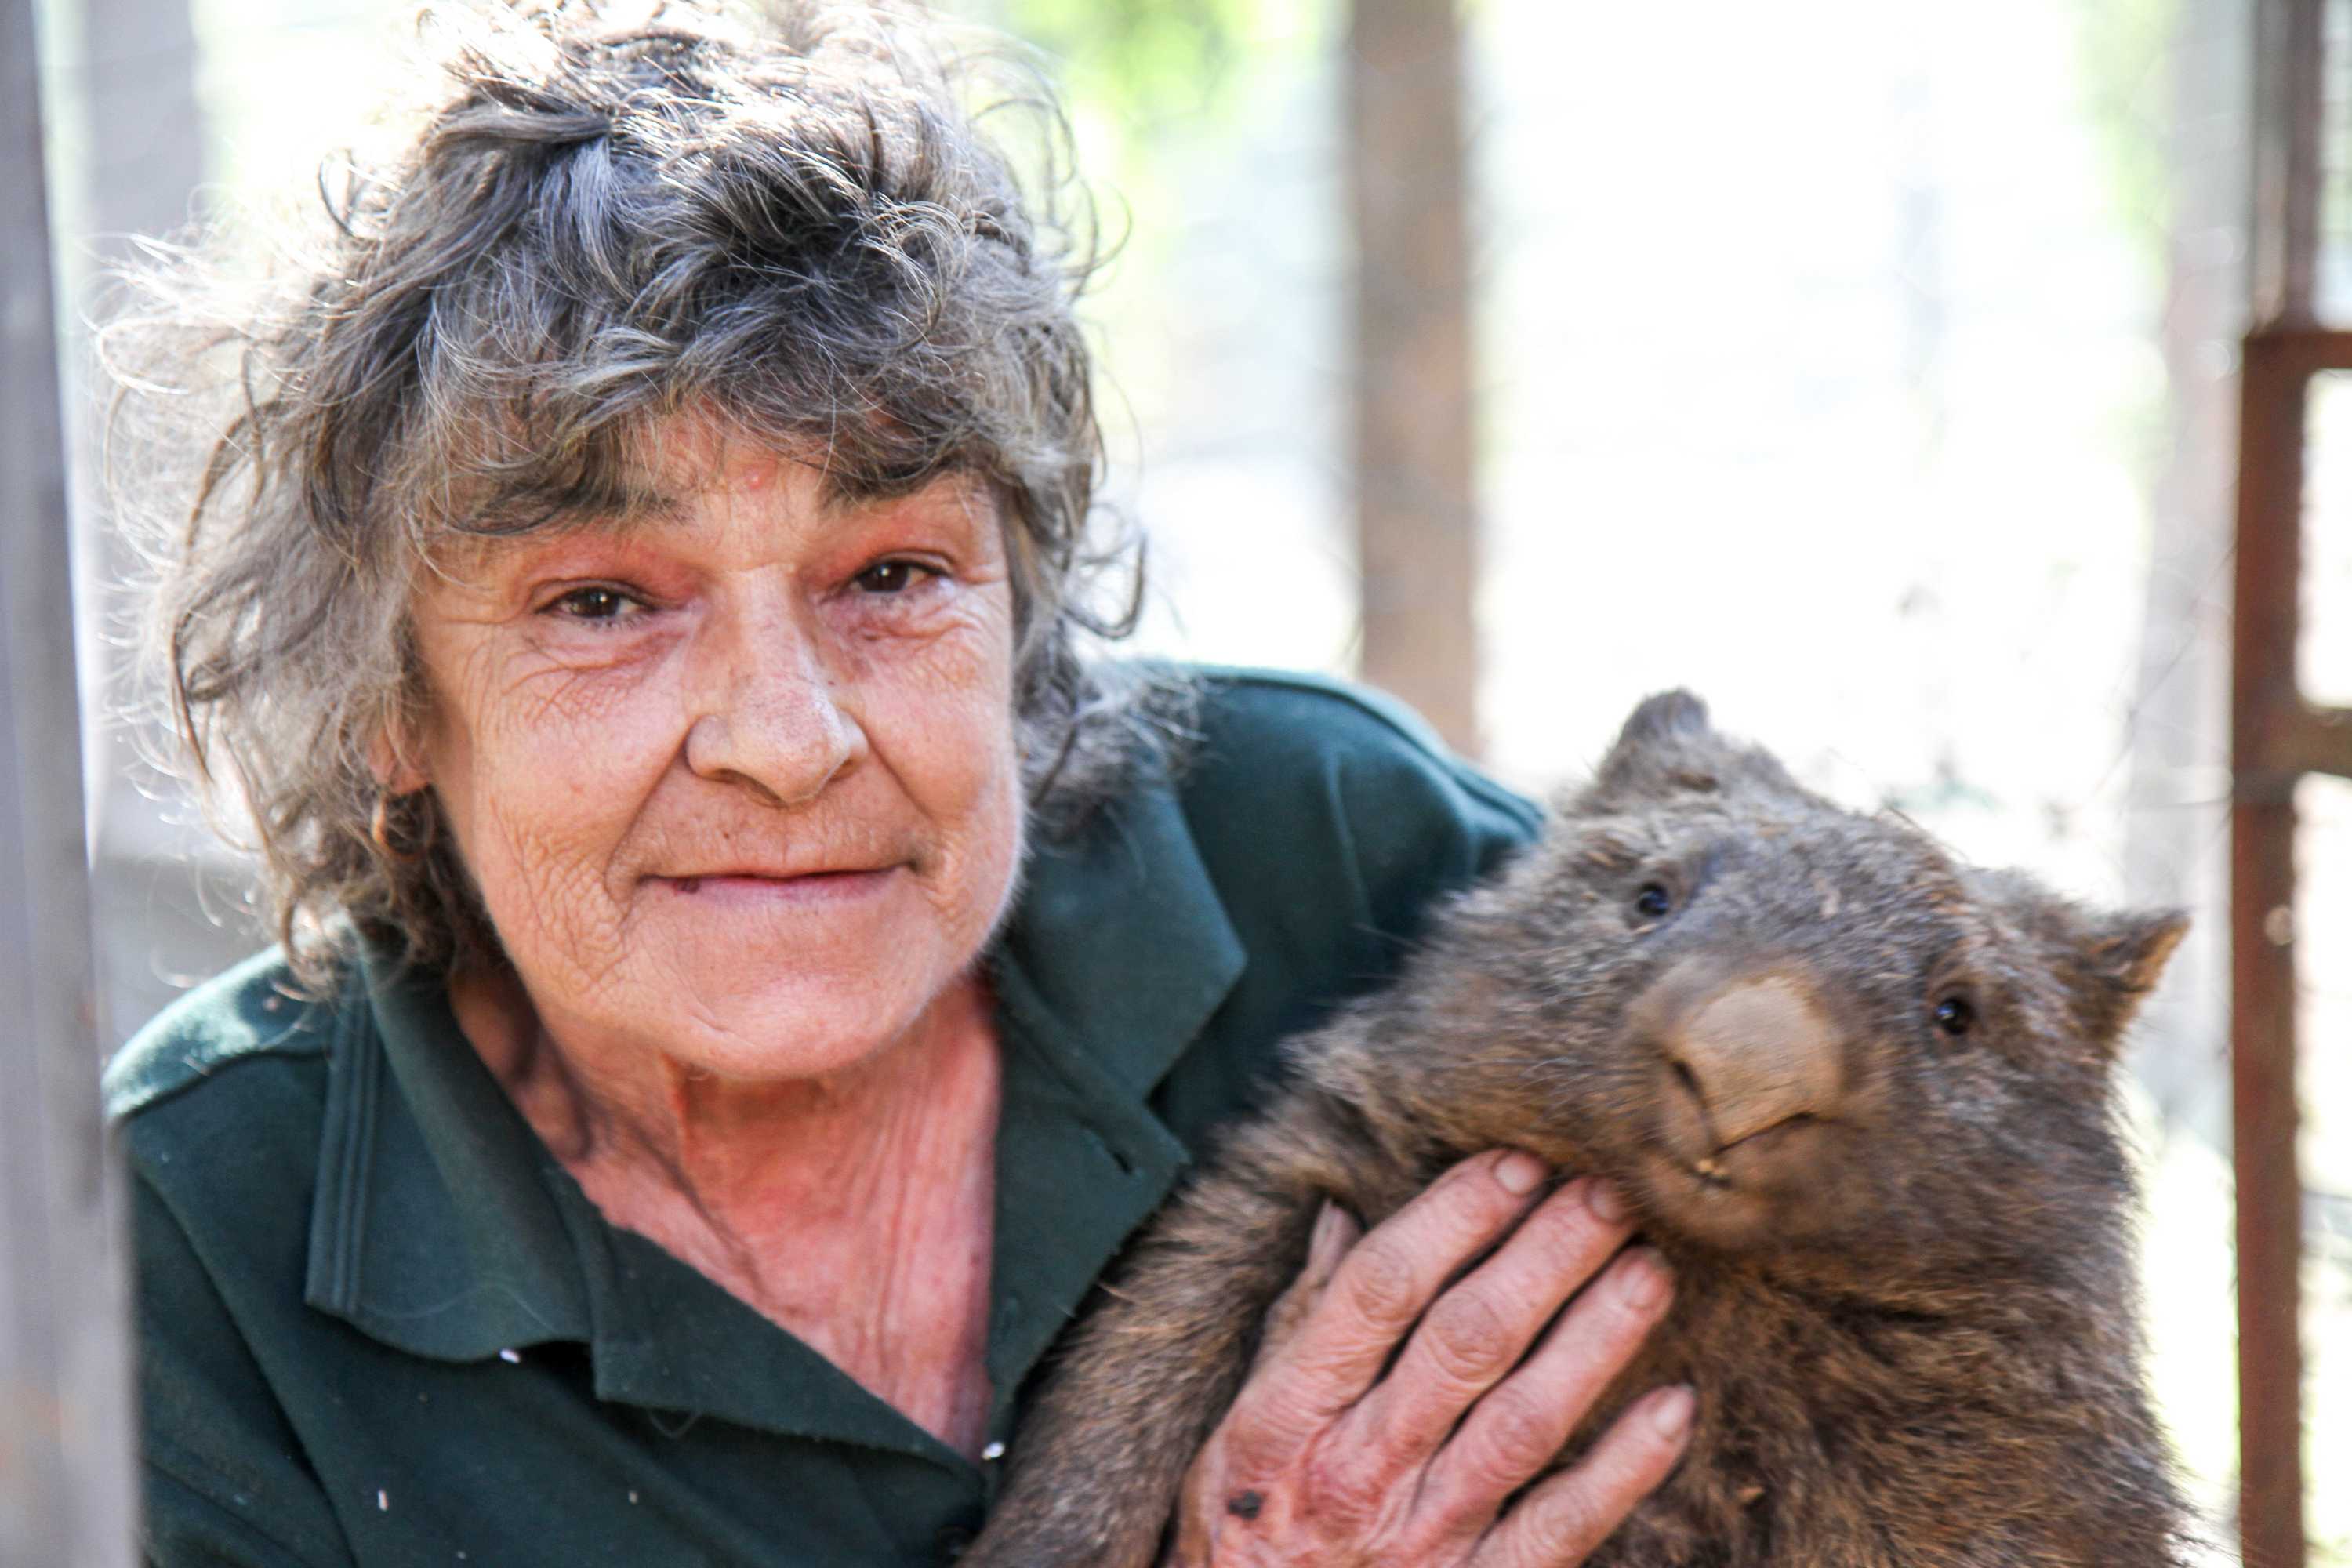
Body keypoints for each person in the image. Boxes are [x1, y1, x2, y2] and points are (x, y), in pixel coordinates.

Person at [102, 2, 1693, 1563]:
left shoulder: (1336, 861)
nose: (788, 741)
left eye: (892, 574)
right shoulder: (177, 1255)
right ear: (392, 699)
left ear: (1021, 611)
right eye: (602, 603)